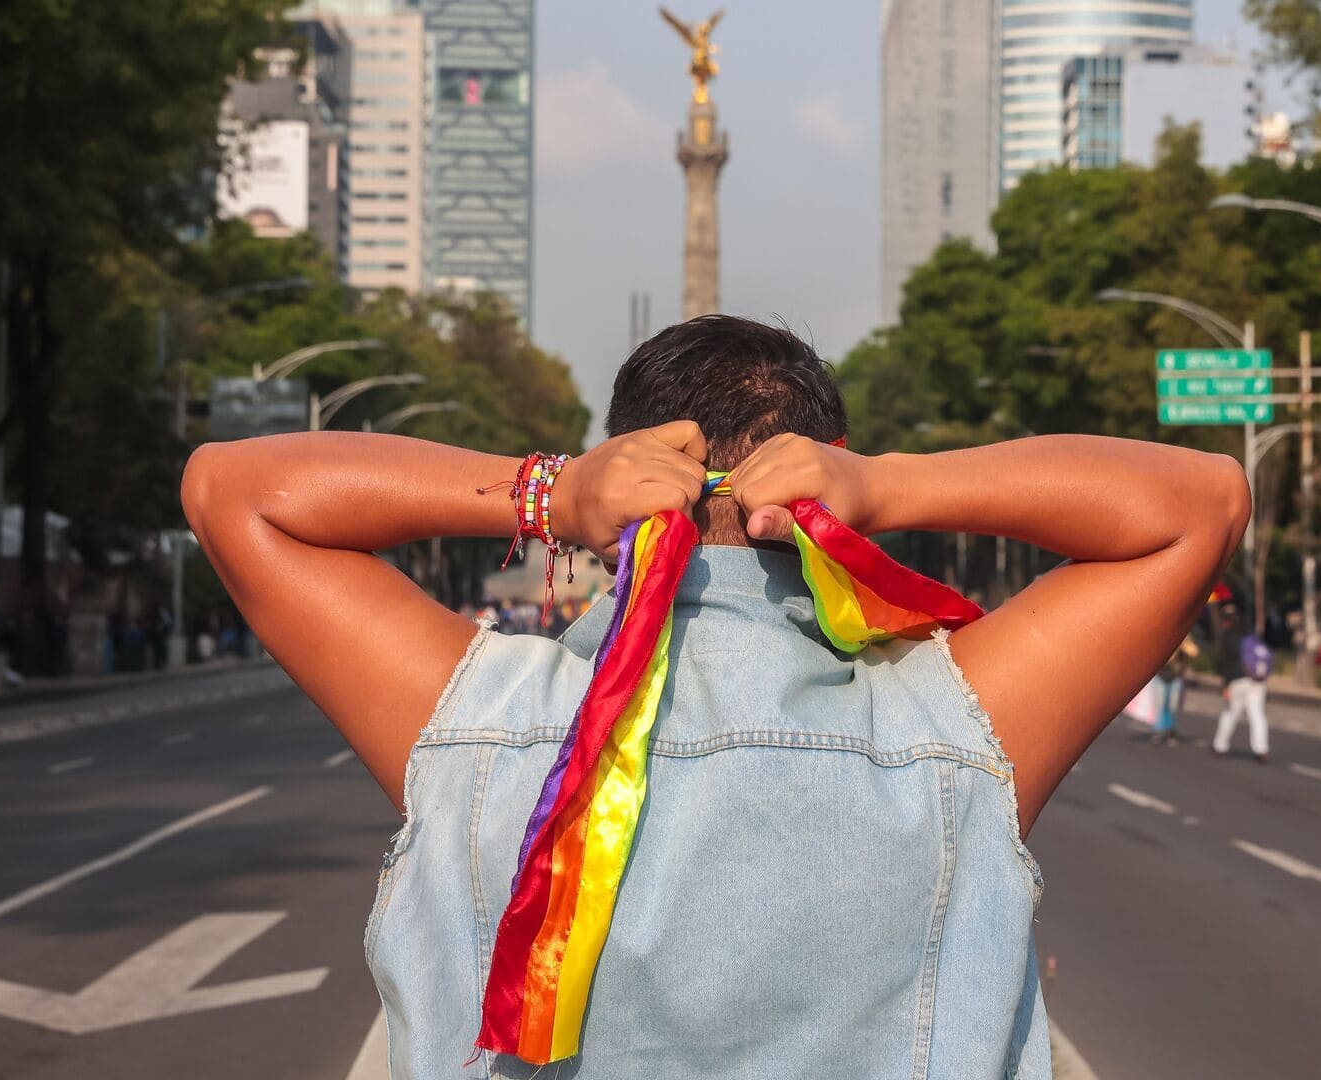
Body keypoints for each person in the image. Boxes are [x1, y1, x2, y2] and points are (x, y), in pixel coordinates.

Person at [181, 315, 1250, 1077]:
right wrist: (890, 488)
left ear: (623, 454)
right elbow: (1201, 501)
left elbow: (232, 491)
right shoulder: (954, 719)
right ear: (823, 463)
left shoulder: (477, 715)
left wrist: (548, 490)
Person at [1213, 607, 1273, 763]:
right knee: (1257, 714)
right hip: (1256, 680)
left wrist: (1225, 685)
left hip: (1237, 680)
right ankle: (1261, 749)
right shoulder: (1250, 635)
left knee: (1230, 713)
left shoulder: (1227, 636)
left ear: (1225, 620)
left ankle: (1220, 745)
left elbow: (1225, 662)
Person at [1150, 634, 1198, 746]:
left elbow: (1194, 652)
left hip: (1176, 676)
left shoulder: (1185, 637)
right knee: (1160, 704)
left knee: (1172, 705)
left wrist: (1183, 643)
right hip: (1161, 675)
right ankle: (1158, 731)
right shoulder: (1163, 635)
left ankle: (1170, 730)